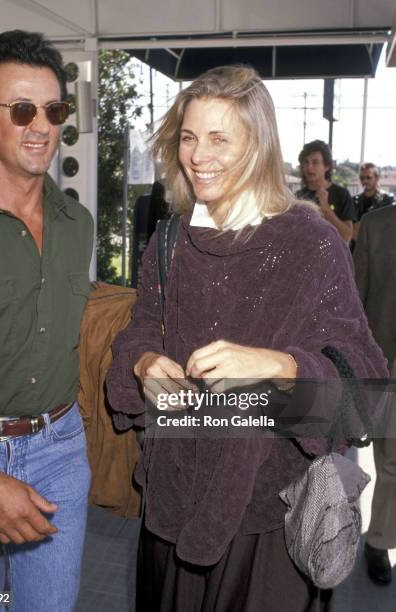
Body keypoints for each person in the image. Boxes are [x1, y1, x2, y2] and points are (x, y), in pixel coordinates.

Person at [106, 65, 387, 612]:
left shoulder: (310, 243)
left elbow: (368, 395)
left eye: (218, 138)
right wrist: (142, 363)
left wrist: (279, 364)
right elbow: (139, 328)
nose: (198, 155)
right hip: (172, 509)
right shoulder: (169, 241)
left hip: (269, 525)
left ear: (257, 145)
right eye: (189, 137)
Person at [0, 30, 94, 611]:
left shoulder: (77, 223)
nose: (42, 126)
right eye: (22, 109)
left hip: (59, 450)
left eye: (54, 110)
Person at [354, 205, 396, 586]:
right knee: (391, 460)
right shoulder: (375, 225)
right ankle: (379, 541)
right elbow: (355, 306)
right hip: (387, 360)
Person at [296, 139, 355, 243]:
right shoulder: (297, 197)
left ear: (326, 166)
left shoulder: (341, 194)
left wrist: (326, 209)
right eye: (306, 162)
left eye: (315, 162)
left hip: (333, 257)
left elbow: (347, 236)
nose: (309, 167)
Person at [352, 162, 394, 243]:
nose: (365, 180)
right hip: (356, 249)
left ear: (377, 178)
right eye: (362, 178)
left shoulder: (388, 200)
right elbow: (350, 228)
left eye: (368, 177)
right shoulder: (354, 200)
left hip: (379, 248)